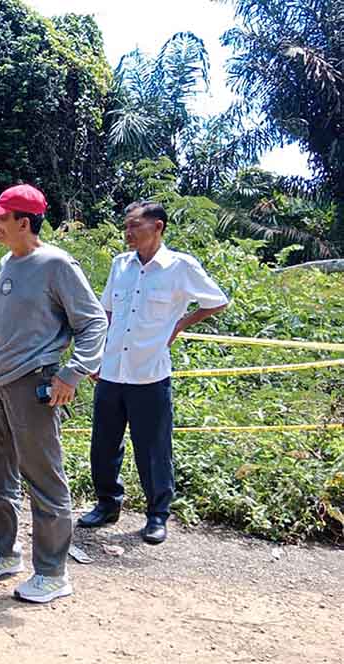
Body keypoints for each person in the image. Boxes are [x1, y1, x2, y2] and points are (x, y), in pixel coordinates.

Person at [0, 184, 107, 604]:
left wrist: (72, 372)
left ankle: (52, 573)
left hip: (34, 383)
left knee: (44, 479)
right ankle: (5, 552)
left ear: (23, 222)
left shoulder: (57, 264)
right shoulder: (7, 263)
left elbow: (93, 322)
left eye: (0, 218)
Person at [78, 201, 229, 544]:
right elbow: (108, 313)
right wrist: (98, 357)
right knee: (103, 444)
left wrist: (180, 324)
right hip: (113, 369)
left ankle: (157, 515)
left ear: (158, 226)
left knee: (153, 448)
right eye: (126, 227)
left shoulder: (180, 267)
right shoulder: (121, 265)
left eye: (135, 226)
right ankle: (107, 504)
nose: (128, 233)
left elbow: (217, 300)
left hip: (149, 372)